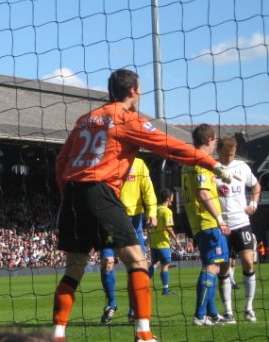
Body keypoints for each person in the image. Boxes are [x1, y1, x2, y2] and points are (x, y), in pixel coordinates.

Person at [53, 69, 237, 342]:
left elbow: (61, 160)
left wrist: (66, 192)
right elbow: (170, 146)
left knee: (74, 269)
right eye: (139, 90)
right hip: (101, 191)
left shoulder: (83, 120)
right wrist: (212, 164)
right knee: (137, 260)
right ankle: (144, 333)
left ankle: (57, 334)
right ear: (133, 91)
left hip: (71, 197)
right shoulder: (127, 119)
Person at [181, 124, 232, 326]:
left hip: (197, 221)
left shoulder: (186, 162)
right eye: (215, 140)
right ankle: (200, 315)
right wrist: (219, 219)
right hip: (208, 221)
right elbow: (202, 192)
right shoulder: (201, 162)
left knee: (214, 266)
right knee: (211, 266)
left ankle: (212, 313)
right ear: (210, 139)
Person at [100, 157, 157, 324]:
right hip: (111, 219)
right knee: (106, 262)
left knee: (140, 265)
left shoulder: (139, 164)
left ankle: (134, 308)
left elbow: (148, 190)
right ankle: (111, 305)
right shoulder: (107, 160)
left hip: (134, 221)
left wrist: (152, 211)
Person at [215, 135, 261, 323]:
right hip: (221, 225)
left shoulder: (242, 167)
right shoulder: (212, 168)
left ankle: (248, 308)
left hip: (241, 222)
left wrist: (253, 204)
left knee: (248, 263)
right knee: (224, 267)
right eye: (226, 155)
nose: (229, 158)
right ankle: (228, 312)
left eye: (232, 155)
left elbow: (256, 186)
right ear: (219, 151)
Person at [148, 188, 180, 296]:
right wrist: (176, 240)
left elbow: (149, 224)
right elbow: (168, 227)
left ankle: (143, 285)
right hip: (162, 242)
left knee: (155, 263)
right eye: (172, 197)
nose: (173, 199)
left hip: (154, 242)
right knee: (165, 265)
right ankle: (165, 290)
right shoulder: (167, 211)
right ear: (168, 198)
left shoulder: (155, 209)